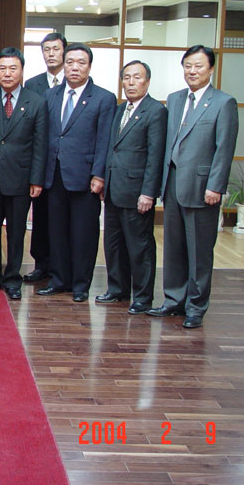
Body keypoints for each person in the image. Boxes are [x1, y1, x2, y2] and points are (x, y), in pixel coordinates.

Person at [148, 45, 238, 328]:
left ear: (211, 69)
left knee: (199, 251)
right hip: (173, 183)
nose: (192, 71)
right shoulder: (174, 99)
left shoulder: (223, 102)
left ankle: (196, 307)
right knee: (173, 246)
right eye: (188, 65)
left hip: (202, 188)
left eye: (199, 66)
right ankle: (173, 300)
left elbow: (224, 149)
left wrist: (216, 186)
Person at [37, 43, 115, 302]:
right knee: (56, 231)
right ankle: (59, 279)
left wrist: (99, 174)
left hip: (85, 177)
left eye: (80, 62)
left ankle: (81, 285)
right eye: (70, 61)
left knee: (84, 233)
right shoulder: (51, 95)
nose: (74, 67)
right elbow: (44, 136)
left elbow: (105, 140)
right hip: (54, 174)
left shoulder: (103, 98)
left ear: (89, 66)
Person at [0, 47, 47, 300]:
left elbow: (40, 144)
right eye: (2, 68)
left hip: (20, 178)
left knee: (16, 232)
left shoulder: (36, 101)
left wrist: (37, 179)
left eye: (12, 68)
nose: (7, 73)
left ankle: (13, 278)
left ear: (22, 70)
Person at [96, 60, 167, 314]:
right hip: (115, 189)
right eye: (127, 78)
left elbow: (155, 156)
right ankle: (117, 289)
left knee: (140, 247)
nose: (131, 82)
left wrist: (148, 192)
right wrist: (104, 179)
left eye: (137, 77)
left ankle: (143, 296)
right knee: (113, 243)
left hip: (138, 192)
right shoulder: (119, 109)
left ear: (147, 81)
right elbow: (110, 149)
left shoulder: (155, 111)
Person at [23, 32, 67, 283]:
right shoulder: (34, 84)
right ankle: (41, 264)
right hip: (40, 159)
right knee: (40, 215)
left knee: (62, 217)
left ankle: (61, 267)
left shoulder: (75, 82)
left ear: (64, 51)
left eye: (55, 49)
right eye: (46, 50)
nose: (51, 54)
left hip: (67, 162)